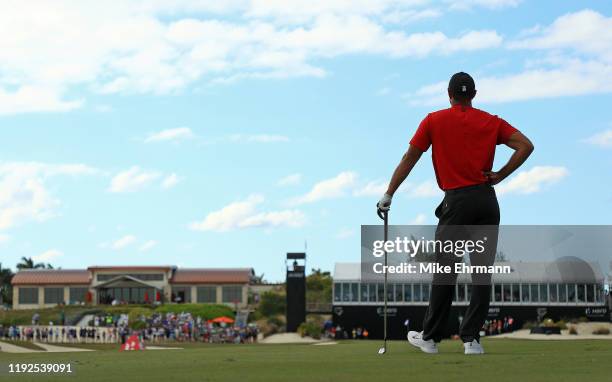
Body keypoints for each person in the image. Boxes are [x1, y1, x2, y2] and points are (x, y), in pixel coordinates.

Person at [377, 72, 533, 355]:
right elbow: (526, 145)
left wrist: (389, 193)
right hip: (487, 201)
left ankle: (431, 338)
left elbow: (409, 158)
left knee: (446, 272)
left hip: (457, 203)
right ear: (473, 95)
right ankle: (472, 341)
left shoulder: (433, 120)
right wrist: (500, 175)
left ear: (449, 94)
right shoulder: (491, 121)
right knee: (481, 273)